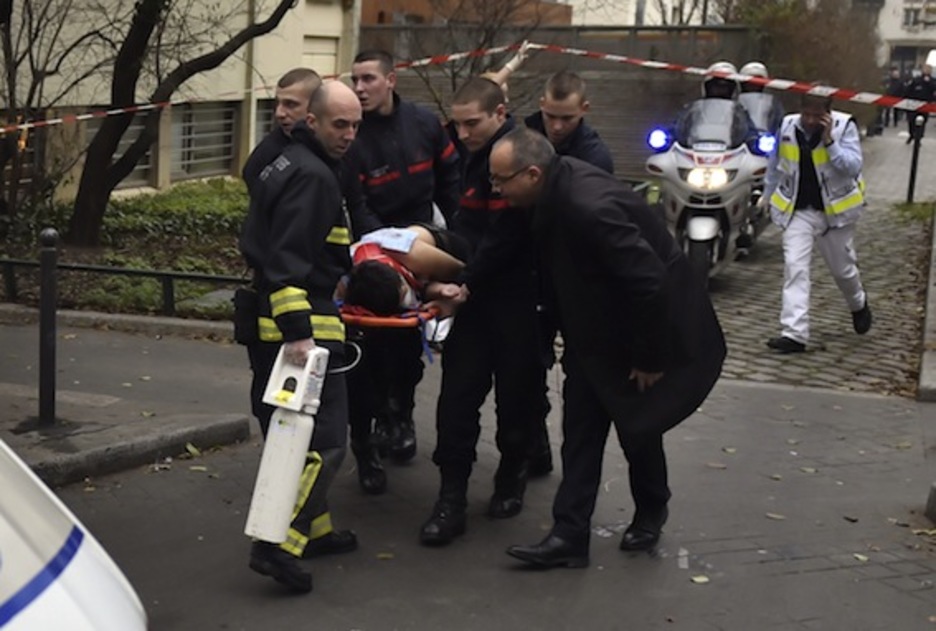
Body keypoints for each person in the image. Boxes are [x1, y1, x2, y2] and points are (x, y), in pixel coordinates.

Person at [487, 127, 726, 568]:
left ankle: (651, 508)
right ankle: (569, 535)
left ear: (533, 173)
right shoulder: (556, 190)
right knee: (579, 429)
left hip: (639, 332)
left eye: (502, 180)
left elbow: (648, 283)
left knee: (638, 426)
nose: (497, 190)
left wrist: (649, 357)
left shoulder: (586, 207)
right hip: (594, 333)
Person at [237, 81, 363, 593]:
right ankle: (276, 545)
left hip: (276, 326)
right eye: (340, 124)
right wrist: (299, 334)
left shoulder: (286, 160)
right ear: (312, 121)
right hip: (300, 330)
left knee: (297, 436)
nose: (350, 135)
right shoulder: (314, 177)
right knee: (324, 442)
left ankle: (318, 529)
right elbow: (287, 261)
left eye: (356, 125)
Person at [418, 78, 550, 546]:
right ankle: (451, 496)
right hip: (472, 304)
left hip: (517, 303)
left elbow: (505, 237)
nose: (462, 131)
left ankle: (511, 472)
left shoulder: (519, 158)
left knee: (517, 403)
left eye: (471, 122)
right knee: (456, 401)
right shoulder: (472, 154)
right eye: (456, 122)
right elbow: (464, 225)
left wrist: (463, 281)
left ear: (500, 114)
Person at [345, 50, 462, 492]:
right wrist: (387, 251)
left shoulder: (424, 124)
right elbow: (357, 205)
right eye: (355, 80)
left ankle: (402, 417)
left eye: (368, 79)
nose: (360, 88)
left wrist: (450, 234)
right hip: (375, 254)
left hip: (421, 238)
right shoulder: (352, 137)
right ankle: (367, 444)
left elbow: (450, 176)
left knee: (406, 349)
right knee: (367, 353)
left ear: (391, 79)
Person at [764, 91, 871, 354]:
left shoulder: (845, 127)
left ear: (828, 112)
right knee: (795, 267)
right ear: (800, 109)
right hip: (798, 209)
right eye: (807, 114)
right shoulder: (787, 125)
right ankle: (794, 333)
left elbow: (853, 166)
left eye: (817, 115)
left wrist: (830, 142)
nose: (810, 120)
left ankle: (858, 303)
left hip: (834, 213)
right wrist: (767, 195)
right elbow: (775, 164)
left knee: (842, 271)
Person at [242, 67, 379, 235]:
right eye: (277, 103)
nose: (279, 113)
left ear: (315, 107)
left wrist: (376, 241)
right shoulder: (268, 154)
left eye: (291, 104)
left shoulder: (347, 145)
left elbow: (355, 205)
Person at [524, 70, 614, 173]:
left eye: (567, 119)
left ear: (584, 109)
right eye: (550, 116)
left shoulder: (595, 158)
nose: (557, 127)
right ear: (542, 104)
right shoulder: (523, 142)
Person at [903, 65, 934, 143]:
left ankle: (918, 138)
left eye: (929, 69)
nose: (927, 71)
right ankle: (911, 134)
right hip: (914, 104)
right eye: (925, 69)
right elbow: (908, 91)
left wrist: (929, 82)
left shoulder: (933, 81)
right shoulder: (916, 80)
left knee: (922, 122)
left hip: (925, 106)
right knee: (911, 121)